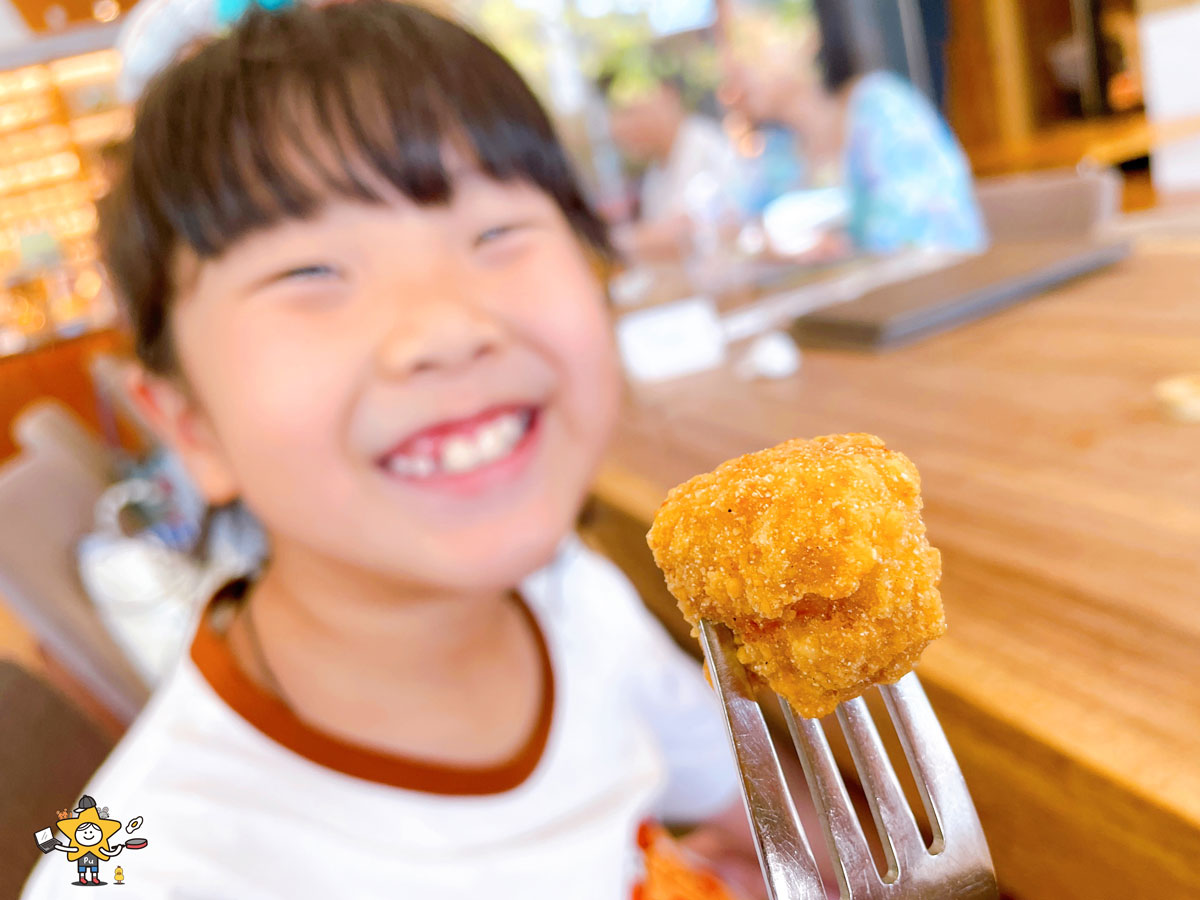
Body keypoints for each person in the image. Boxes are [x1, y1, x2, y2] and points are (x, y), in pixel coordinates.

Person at [21, 2, 769, 897]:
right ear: (190, 426)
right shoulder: (135, 869)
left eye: (496, 233)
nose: (445, 328)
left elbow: (761, 815)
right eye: (310, 274)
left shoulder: (574, 597)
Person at [721, 2, 986, 255]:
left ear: (805, 33)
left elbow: (922, 245)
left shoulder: (882, 111)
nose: (728, 66)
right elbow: (732, 234)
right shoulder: (778, 154)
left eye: (742, 40)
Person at [600, 69, 747, 261]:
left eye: (630, 112)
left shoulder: (702, 146)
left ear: (667, 96)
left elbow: (688, 231)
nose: (619, 128)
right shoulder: (658, 171)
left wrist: (604, 244)